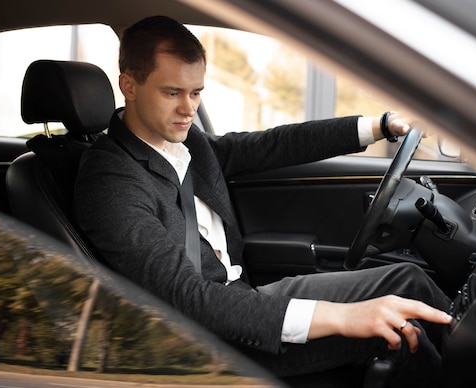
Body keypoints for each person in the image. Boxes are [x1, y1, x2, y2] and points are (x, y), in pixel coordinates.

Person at [74, 15, 452, 387]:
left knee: (407, 280)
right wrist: (343, 317)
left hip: (244, 299)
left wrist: (379, 125)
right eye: (173, 93)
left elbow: (271, 145)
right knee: (396, 332)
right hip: (206, 338)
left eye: (196, 93)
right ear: (129, 85)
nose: (188, 109)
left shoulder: (184, 140)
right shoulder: (110, 180)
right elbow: (187, 298)